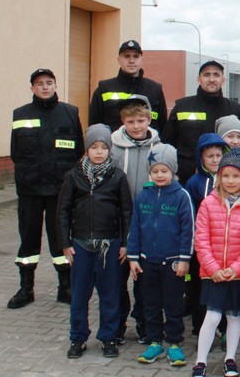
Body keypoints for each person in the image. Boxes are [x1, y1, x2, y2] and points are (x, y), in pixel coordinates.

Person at [56, 124, 132, 359]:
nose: (99, 152)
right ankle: (78, 338)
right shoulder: (74, 176)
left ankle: (109, 337)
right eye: (94, 147)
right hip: (80, 245)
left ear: (109, 149)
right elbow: (63, 211)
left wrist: (125, 243)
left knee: (110, 295)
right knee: (79, 296)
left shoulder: (117, 176)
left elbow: (126, 212)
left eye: (103, 147)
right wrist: (65, 243)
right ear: (86, 149)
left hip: (109, 245)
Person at [9, 68, 83, 309]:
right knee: (28, 240)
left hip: (59, 189)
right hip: (30, 189)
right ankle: (26, 289)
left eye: (49, 82)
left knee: (61, 239)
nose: (44, 87)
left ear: (55, 85)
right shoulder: (20, 114)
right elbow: (15, 152)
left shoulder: (70, 112)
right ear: (32, 88)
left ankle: (65, 287)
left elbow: (78, 151)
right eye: (39, 83)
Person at [191, 149, 240, 377]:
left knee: (234, 317)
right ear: (219, 177)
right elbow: (201, 239)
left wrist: (236, 268)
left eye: (236, 176)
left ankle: (230, 358)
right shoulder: (208, 203)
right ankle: (200, 362)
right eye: (226, 176)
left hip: (238, 274)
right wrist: (213, 268)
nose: (230, 181)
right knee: (212, 317)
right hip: (214, 274)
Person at [126, 144, 194, 367]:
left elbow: (188, 230)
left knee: (173, 304)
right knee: (150, 304)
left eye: (164, 171)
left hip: (173, 262)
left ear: (173, 170)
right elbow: (135, 228)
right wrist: (133, 258)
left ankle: (174, 342)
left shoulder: (181, 196)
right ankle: (155, 341)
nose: (159, 175)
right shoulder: (143, 196)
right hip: (147, 262)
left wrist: (184, 259)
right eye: (155, 171)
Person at [111, 94, 161, 345]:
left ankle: (144, 323)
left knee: (145, 281)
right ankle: (118, 324)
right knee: (117, 279)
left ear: (149, 120)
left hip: (149, 223)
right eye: (131, 121)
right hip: (119, 222)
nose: (136, 126)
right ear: (123, 122)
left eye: (141, 120)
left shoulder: (160, 148)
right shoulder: (113, 148)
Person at [163, 60, 240, 184]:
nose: (211, 79)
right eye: (206, 75)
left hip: (225, 182)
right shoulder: (182, 107)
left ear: (223, 80)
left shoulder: (234, 109)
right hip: (186, 180)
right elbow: (168, 143)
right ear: (198, 79)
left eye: (216, 75)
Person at [183, 133, 228, 335]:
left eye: (218, 155)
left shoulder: (230, 179)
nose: (215, 160)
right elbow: (190, 214)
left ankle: (224, 327)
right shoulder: (194, 182)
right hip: (201, 244)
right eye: (210, 156)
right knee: (198, 286)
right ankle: (199, 326)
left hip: (224, 244)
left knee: (222, 286)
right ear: (201, 157)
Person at [88, 40, 167, 133]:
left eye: (136, 56)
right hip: (114, 142)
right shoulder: (104, 88)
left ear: (142, 60)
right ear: (119, 60)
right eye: (127, 56)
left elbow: (163, 128)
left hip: (149, 142)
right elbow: (94, 128)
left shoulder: (155, 89)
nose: (131, 61)